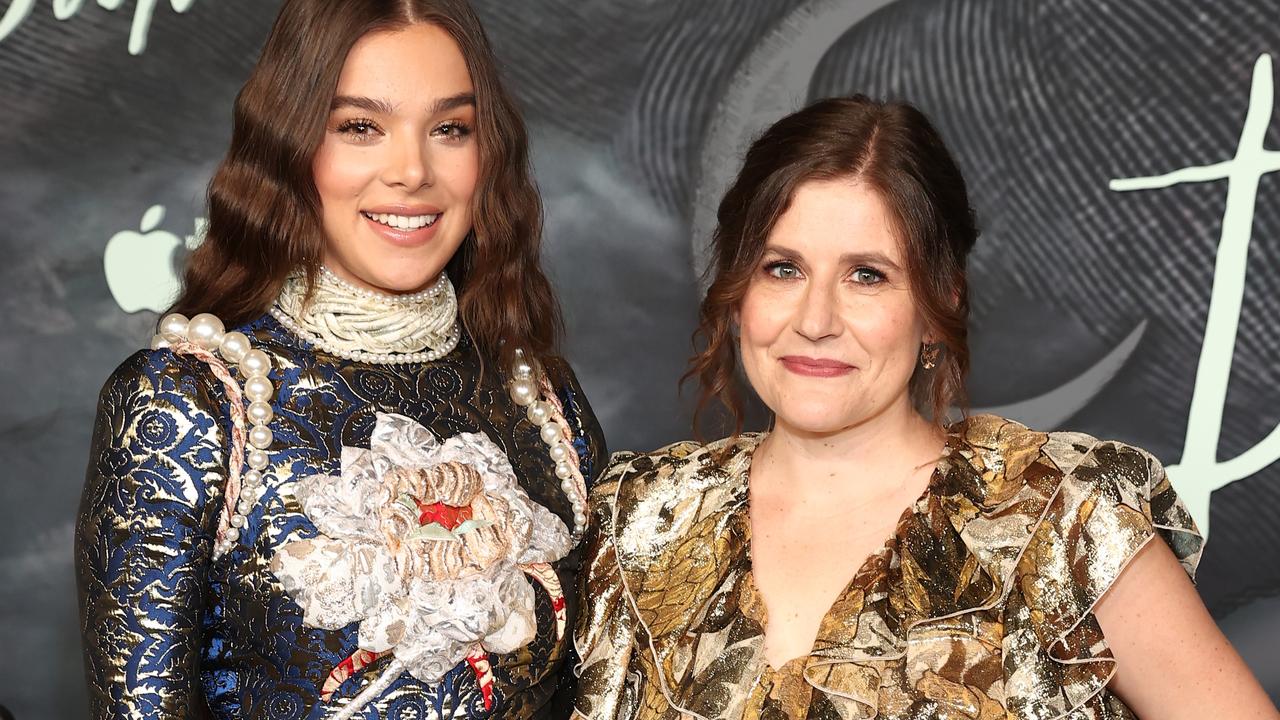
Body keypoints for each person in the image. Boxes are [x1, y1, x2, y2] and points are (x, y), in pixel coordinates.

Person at [572, 96, 1277, 719]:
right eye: (782, 269)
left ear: (940, 306)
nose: (816, 318)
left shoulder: (1061, 516)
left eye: (867, 276)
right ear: (737, 290)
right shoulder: (636, 518)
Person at [75, 1, 606, 718]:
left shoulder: (541, 396)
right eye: (361, 127)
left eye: (450, 129)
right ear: (290, 146)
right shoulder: (192, 402)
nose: (412, 170)